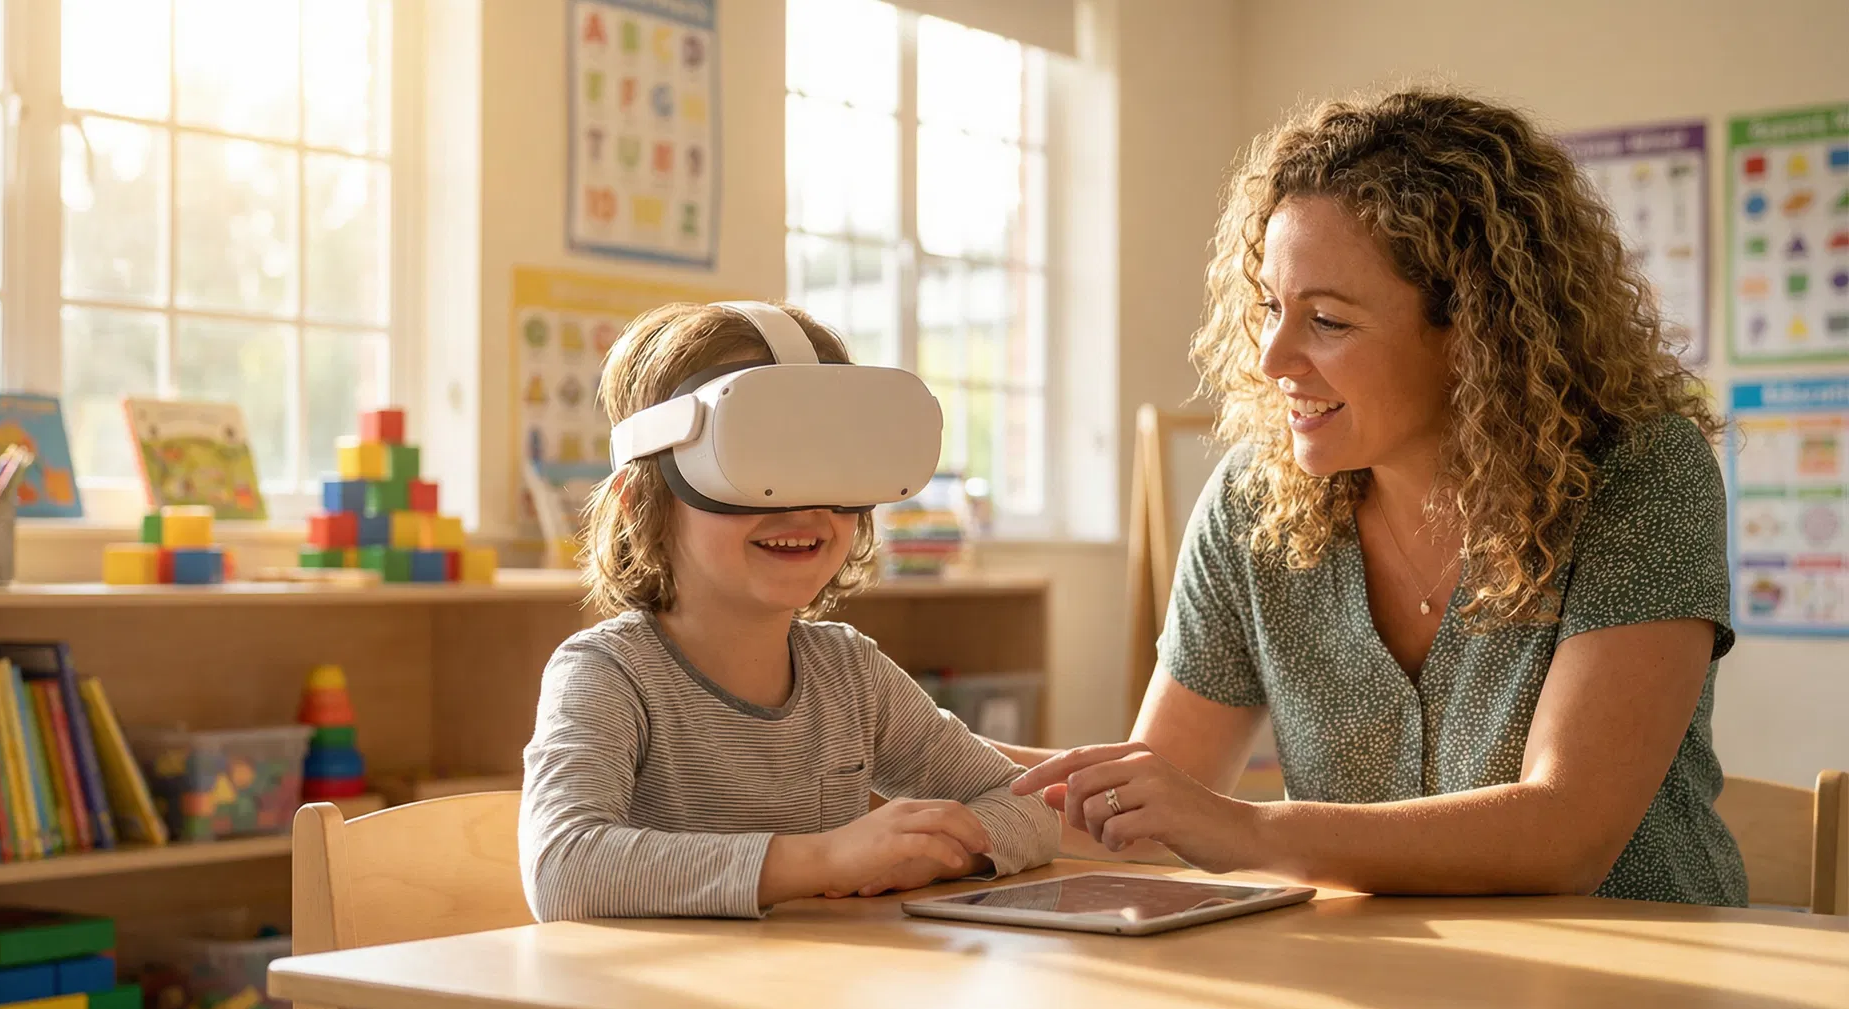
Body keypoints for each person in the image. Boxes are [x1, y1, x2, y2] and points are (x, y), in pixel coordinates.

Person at [1003, 88, 1746, 906]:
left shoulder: (1642, 474)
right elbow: (1142, 807)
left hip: (1643, 987)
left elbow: (1565, 835)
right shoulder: (1252, 505)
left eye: (1326, 320)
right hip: (1380, 981)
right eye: (1271, 310)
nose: (1272, 358)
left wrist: (1246, 830)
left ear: (1473, 334)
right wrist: (894, 753)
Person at [520, 301, 1060, 920]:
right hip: (664, 1005)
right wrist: (825, 860)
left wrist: (938, 853)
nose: (802, 509)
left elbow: (1031, 809)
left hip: (820, 999)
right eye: (755, 464)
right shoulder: (608, 674)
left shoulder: (851, 676)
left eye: (829, 466)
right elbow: (563, 867)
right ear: (643, 498)